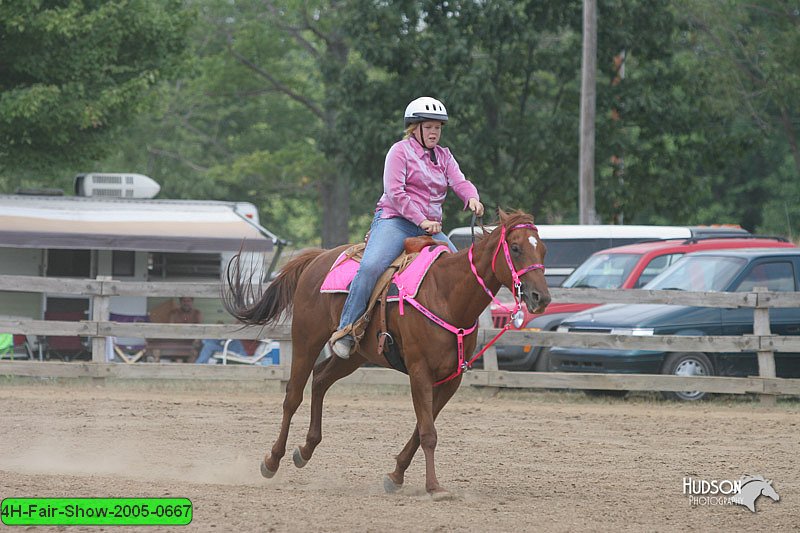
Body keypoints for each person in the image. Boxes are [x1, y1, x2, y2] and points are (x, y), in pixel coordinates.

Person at [330, 96, 484, 359]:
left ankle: (460, 338)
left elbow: (459, 181)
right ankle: (348, 329)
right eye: (429, 126)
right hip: (396, 222)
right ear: (415, 128)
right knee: (370, 266)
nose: (435, 132)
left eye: (438, 127)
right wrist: (421, 220)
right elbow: (395, 192)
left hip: (429, 230)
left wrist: (471, 196)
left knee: (462, 272)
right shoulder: (399, 152)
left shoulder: (445, 156)